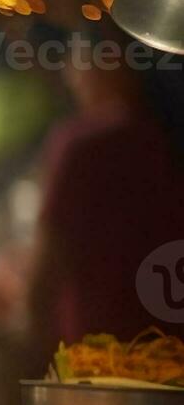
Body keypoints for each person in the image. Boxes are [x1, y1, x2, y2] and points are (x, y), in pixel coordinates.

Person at [28, 23, 184, 360]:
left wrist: (31, 353)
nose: (70, 73)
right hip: (169, 356)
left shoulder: (81, 146)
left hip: (95, 357)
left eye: (76, 57)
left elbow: (49, 264)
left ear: (109, 59)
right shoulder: (165, 141)